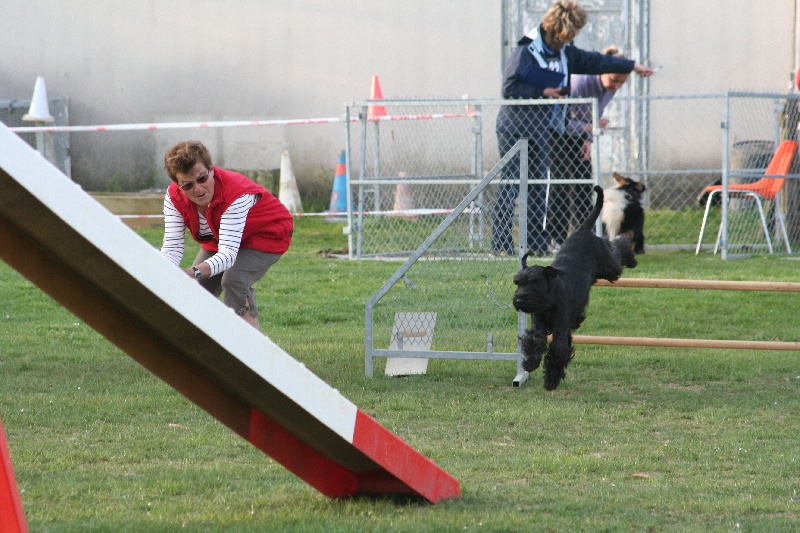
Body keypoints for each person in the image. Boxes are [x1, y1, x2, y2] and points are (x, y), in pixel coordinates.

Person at [492, 0, 653, 256]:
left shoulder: (566, 52)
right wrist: (541, 91)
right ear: (553, 29)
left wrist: (631, 66)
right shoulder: (526, 50)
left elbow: (596, 61)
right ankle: (500, 245)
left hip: (539, 129)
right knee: (512, 184)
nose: (566, 42)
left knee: (535, 187)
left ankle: (535, 243)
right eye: (564, 36)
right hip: (514, 127)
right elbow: (509, 88)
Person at [160, 140, 293, 331]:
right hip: (219, 239)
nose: (197, 189)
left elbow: (229, 255)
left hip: (266, 234)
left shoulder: (236, 194)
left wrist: (192, 272)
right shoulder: (173, 197)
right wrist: (164, 274)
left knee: (234, 279)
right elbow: (172, 248)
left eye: (202, 179)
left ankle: (247, 349)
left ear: (211, 169)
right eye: (187, 185)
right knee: (194, 293)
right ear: (177, 185)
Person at [547, 45, 636, 246]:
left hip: (580, 134)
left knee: (583, 184)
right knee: (560, 183)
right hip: (556, 135)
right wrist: (589, 127)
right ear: (601, 72)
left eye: (622, 82)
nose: (616, 86)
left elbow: (595, 115)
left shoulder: (609, 89)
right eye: (614, 80)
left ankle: (586, 238)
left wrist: (588, 139)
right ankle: (555, 239)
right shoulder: (579, 83)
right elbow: (559, 121)